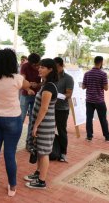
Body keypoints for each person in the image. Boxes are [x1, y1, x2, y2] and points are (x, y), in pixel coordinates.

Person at [0, 48, 31, 197]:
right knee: (9, 153)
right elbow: (28, 85)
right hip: (12, 119)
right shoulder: (17, 79)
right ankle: (12, 187)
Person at [24, 58, 58, 189]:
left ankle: (41, 181)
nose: (39, 69)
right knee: (39, 150)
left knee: (43, 152)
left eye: (43, 67)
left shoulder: (49, 87)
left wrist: (36, 126)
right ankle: (38, 173)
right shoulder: (45, 84)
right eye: (39, 67)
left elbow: (44, 109)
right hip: (42, 123)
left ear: (50, 70)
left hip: (44, 125)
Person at [82, 56, 109, 142]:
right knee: (103, 118)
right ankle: (107, 137)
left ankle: (89, 136)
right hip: (99, 100)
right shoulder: (103, 74)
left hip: (89, 100)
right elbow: (106, 88)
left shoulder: (87, 73)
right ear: (101, 62)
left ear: (94, 62)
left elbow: (83, 86)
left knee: (89, 118)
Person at [54, 57, 74, 162]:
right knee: (49, 130)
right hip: (50, 108)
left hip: (62, 109)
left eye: (56, 67)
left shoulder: (68, 78)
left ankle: (62, 153)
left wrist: (57, 95)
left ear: (61, 65)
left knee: (62, 131)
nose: (54, 69)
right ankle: (51, 151)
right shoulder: (50, 76)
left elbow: (69, 94)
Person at [20, 53, 41, 150]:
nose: (37, 67)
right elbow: (21, 79)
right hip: (25, 94)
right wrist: (28, 88)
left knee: (33, 120)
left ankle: (29, 143)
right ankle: (14, 141)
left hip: (36, 95)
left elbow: (44, 80)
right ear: (30, 63)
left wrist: (38, 85)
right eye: (34, 65)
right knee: (20, 119)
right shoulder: (25, 66)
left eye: (38, 65)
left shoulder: (41, 66)